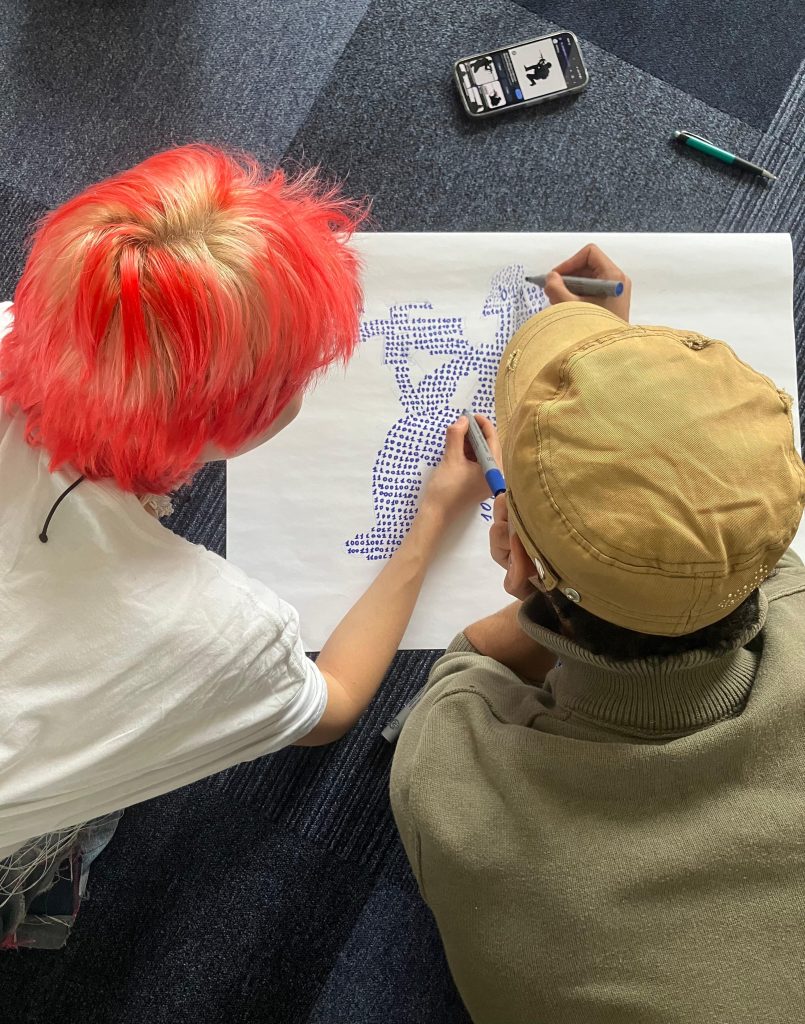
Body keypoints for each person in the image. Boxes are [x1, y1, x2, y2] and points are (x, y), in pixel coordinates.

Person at [0, 144, 495, 948]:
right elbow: (329, 707)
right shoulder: (212, 628)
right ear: (236, 430)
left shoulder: (18, 326)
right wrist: (432, 519)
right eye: (297, 380)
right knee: (69, 826)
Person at [390, 243, 805, 1023]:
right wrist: (625, 387)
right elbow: (717, 540)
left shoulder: (453, 777)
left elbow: (469, 670)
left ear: (511, 553)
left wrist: (543, 570)